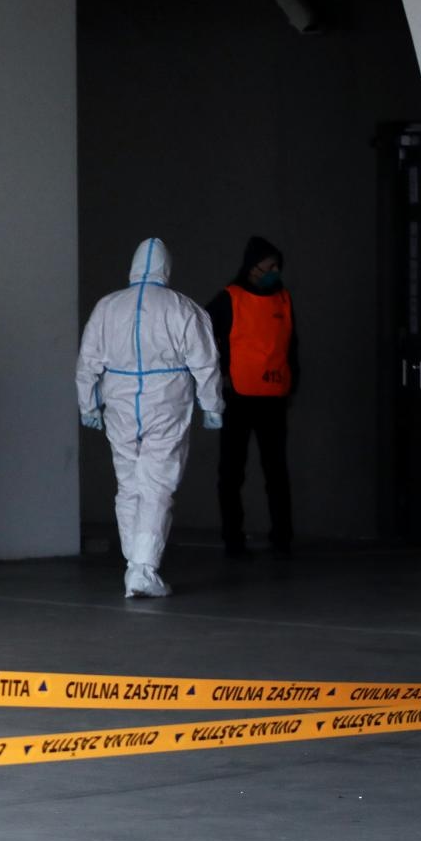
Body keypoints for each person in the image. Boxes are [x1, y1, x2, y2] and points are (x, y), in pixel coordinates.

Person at [76, 238, 223, 598]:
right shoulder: (181, 308)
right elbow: (205, 363)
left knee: (129, 484)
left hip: (120, 403)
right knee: (157, 483)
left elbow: (88, 362)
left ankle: (135, 564)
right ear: (166, 268)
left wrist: (88, 405)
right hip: (166, 402)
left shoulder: (108, 307)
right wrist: (213, 405)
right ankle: (143, 567)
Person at [207, 236, 298, 558]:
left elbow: (292, 345)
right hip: (239, 397)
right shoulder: (229, 298)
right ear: (252, 265)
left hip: (274, 396)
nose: (274, 271)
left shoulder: (283, 299)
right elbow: (202, 337)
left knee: (277, 471)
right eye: (268, 265)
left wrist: (292, 385)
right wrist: (220, 374)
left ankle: (282, 537)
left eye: (277, 265)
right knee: (232, 472)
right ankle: (233, 538)